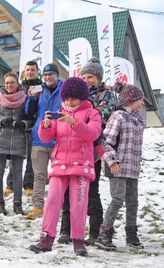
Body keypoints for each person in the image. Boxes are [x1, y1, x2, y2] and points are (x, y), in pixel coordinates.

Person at [29, 77, 102, 256]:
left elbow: (93, 134)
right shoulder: (59, 112)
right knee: (52, 201)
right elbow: (47, 138)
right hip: (59, 164)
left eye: (73, 99)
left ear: (82, 97)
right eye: (67, 98)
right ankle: (46, 238)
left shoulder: (92, 114)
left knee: (78, 203)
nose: (69, 102)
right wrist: (45, 126)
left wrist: (74, 123)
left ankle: (78, 241)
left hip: (81, 165)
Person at [58, 57, 117, 245]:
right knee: (67, 191)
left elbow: (103, 115)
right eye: (84, 76)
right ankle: (65, 230)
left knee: (91, 191)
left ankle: (94, 231)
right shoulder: (73, 96)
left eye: (90, 76)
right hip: (71, 148)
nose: (87, 79)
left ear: (98, 78)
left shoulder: (106, 95)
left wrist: (85, 110)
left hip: (93, 150)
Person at [96, 83, 147, 251]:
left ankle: (131, 235)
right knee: (118, 199)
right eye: (140, 100)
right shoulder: (118, 116)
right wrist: (112, 162)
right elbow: (105, 143)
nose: (142, 103)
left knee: (133, 202)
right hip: (116, 167)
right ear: (131, 100)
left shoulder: (138, 121)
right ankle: (104, 233)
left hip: (132, 168)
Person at [0, 72, 35, 215]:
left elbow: (32, 119)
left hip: (18, 139)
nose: (9, 85)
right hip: (1, 139)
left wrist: (24, 123)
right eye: (7, 82)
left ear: (17, 84)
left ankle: (17, 204)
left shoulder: (25, 98)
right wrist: (1, 122)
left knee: (17, 173)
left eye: (12, 82)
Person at [25, 62, 62, 219]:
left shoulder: (65, 89)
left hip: (58, 139)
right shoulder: (39, 89)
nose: (47, 77)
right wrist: (31, 98)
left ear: (57, 75)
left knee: (58, 176)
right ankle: (38, 206)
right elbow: (28, 112)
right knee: (39, 175)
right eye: (45, 75)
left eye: (50, 74)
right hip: (39, 138)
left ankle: (58, 206)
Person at [6, 60, 42, 196]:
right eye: (28, 70)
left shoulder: (41, 87)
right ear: (24, 72)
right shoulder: (19, 87)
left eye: (33, 70)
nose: (30, 72)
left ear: (37, 72)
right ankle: (11, 184)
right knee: (15, 157)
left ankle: (29, 185)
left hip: (34, 127)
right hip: (18, 127)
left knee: (32, 158)